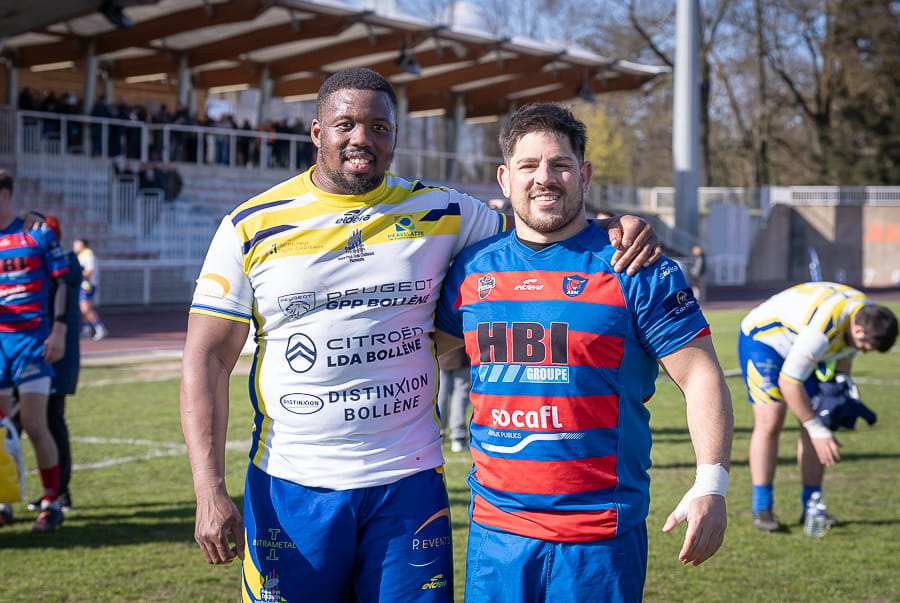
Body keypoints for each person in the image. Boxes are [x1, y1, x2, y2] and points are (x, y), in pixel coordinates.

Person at [180, 67, 661, 602]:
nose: (362, 139)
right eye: (345, 125)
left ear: (394, 136)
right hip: (293, 485)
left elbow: (543, 225)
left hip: (408, 484)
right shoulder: (250, 225)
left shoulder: (446, 212)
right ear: (317, 133)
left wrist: (615, 227)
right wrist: (209, 488)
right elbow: (207, 360)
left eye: (379, 127)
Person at [434, 103, 733, 602]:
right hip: (496, 535)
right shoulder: (470, 269)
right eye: (529, 166)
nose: (544, 178)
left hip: (599, 538)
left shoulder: (635, 266)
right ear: (505, 179)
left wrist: (711, 482)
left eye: (560, 165)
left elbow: (700, 375)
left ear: (585, 175)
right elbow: (418, 354)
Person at [738, 282, 897, 532]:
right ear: (857, 329)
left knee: (819, 414)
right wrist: (817, 429)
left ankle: (811, 505)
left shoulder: (865, 315)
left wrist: (839, 389)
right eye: (866, 346)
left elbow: (845, 354)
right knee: (771, 419)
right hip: (765, 341)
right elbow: (789, 383)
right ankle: (762, 507)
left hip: (804, 345)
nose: (865, 352)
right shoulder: (823, 329)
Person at [0, 170, 70, 532]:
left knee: (33, 422)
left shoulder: (36, 232)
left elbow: (63, 283)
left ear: (6, 194)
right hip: (0, 341)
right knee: (2, 426)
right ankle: (4, 501)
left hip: (32, 340)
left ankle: (51, 501)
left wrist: (58, 329)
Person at [22, 215, 82, 514]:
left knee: (50, 422)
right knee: (44, 421)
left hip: (54, 356)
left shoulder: (60, 268)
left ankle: (58, 492)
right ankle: (56, 491)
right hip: (52, 355)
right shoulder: (61, 265)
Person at [436, 346, 471, 453]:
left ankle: (439, 434)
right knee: (460, 395)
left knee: (441, 394)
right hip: (460, 354)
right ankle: (458, 436)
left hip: (442, 355)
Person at [72, 237, 107, 340]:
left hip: (87, 285)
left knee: (85, 309)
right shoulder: (81, 255)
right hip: (84, 285)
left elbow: (90, 271)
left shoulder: (88, 255)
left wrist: (76, 274)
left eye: (76, 244)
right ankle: (86, 329)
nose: (74, 247)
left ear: (82, 244)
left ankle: (100, 328)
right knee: (84, 309)